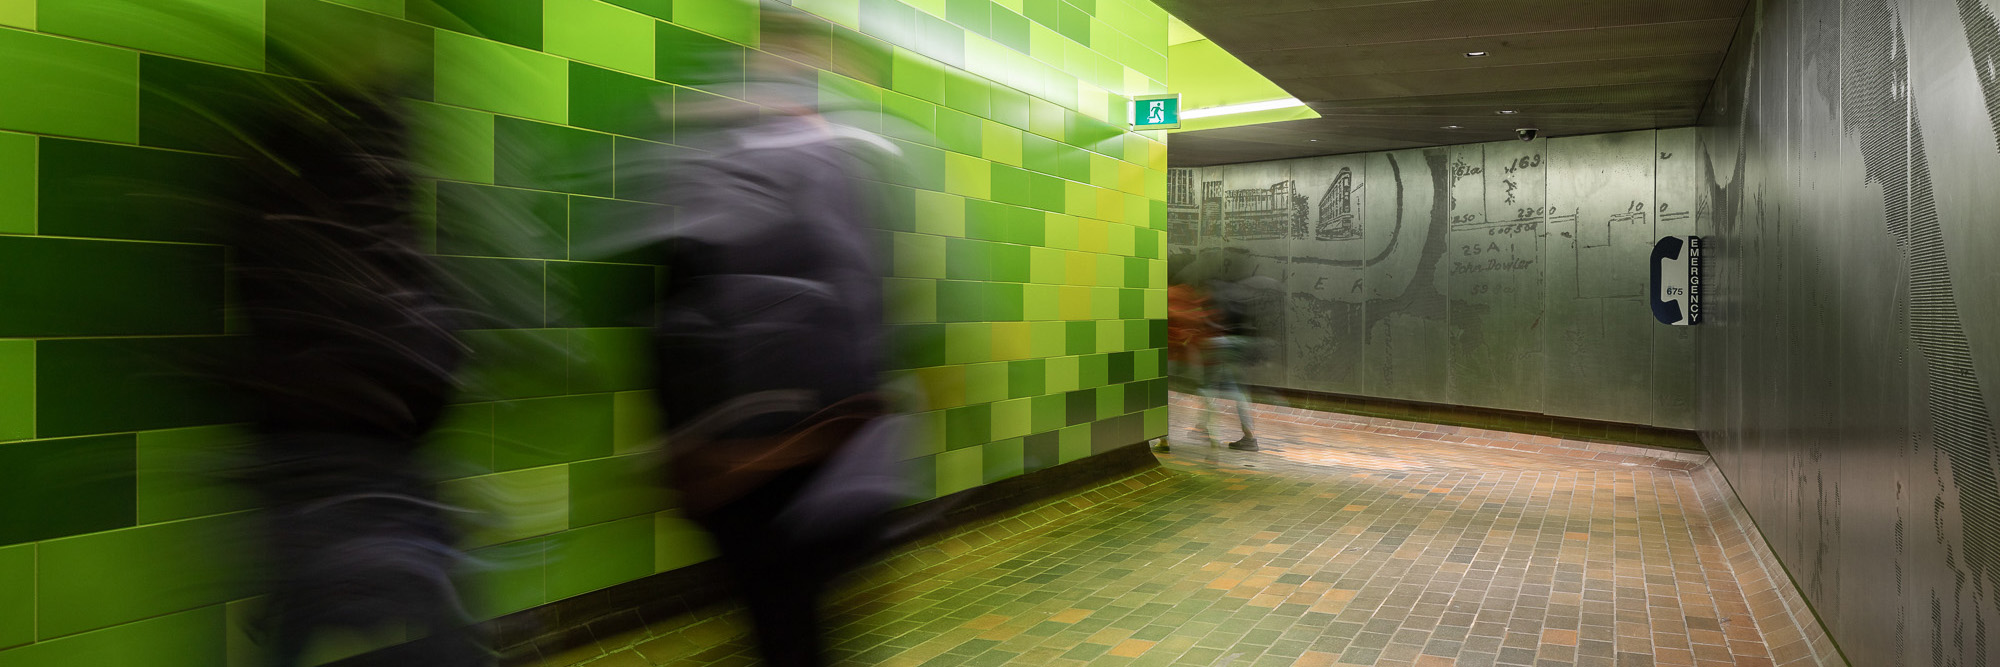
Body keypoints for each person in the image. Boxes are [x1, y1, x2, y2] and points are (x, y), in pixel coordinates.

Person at [641, 5, 910, 665]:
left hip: (773, 454)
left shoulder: (720, 155)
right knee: (792, 623)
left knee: (785, 623)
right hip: (798, 450)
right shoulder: (845, 159)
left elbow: (671, 300)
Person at [1199, 279, 1260, 451]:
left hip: (1226, 345)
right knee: (1238, 392)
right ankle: (1248, 436)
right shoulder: (1240, 299)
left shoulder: (1220, 298)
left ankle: (1208, 429)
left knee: (1209, 387)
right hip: (1239, 346)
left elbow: (1218, 324)